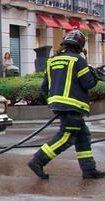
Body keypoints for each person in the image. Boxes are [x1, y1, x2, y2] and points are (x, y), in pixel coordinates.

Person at [27, 30, 104, 180]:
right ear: (80, 45)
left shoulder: (52, 61)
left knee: (83, 137)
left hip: (60, 105)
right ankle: (37, 161)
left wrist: (55, 101)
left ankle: (89, 170)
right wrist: (94, 75)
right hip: (73, 106)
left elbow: (45, 86)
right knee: (66, 137)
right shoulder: (78, 61)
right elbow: (88, 84)